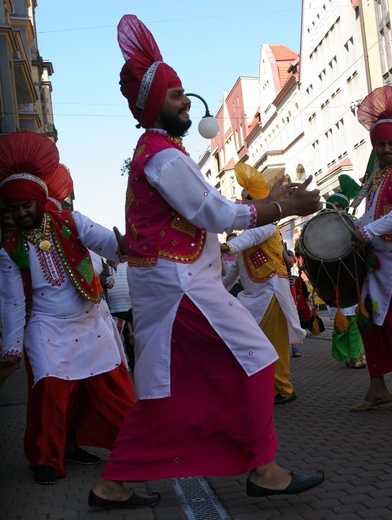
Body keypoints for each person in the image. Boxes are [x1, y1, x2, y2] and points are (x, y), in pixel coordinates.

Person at [88, 15, 324, 509]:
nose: (185, 102)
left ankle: (113, 484)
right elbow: (215, 213)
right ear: (156, 104)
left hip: (179, 287)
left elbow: (205, 220)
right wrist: (284, 206)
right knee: (258, 362)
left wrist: (271, 204)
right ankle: (265, 470)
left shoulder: (157, 154)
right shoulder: (165, 157)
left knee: (164, 393)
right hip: (183, 289)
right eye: (175, 96)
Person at [0, 132, 138, 488]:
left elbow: (106, 243)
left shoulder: (71, 221)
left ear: (37, 201)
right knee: (49, 391)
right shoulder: (9, 248)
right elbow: (13, 302)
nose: (21, 214)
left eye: (25, 206)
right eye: (14, 210)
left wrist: (121, 245)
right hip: (46, 327)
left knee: (111, 390)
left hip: (90, 321)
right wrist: (11, 349)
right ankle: (46, 458)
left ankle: (132, 448)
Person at [350, 85, 392, 414]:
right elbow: (370, 213)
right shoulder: (379, 178)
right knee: (370, 326)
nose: (387, 149)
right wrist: (349, 226)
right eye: (381, 144)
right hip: (377, 266)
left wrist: (368, 230)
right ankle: (378, 388)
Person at [221, 163, 305, 406]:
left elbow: (250, 238)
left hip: (271, 293)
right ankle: (261, 386)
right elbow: (231, 275)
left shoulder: (268, 225)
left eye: (249, 204)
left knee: (274, 344)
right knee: (254, 343)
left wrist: (227, 246)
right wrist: (213, 293)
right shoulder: (245, 242)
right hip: (252, 298)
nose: (247, 210)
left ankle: (283, 389)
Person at [325, 176, 366, 369]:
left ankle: (356, 356)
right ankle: (351, 356)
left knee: (355, 323)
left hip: (353, 279)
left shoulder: (352, 224)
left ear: (343, 207)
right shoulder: (321, 227)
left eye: (335, 206)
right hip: (335, 281)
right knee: (344, 323)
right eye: (329, 206)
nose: (330, 210)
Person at [106, 260, 135, 372]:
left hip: (130, 310)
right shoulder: (103, 266)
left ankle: (134, 368)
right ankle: (119, 369)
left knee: (132, 343)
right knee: (116, 343)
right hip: (112, 311)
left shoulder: (128, 264)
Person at [281, 236, 302, 357]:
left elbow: (290, 263)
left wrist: (282, 251)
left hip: (289, 288)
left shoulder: (288, 253)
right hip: (276, 289)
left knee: (292, 315)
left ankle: (295, 346)